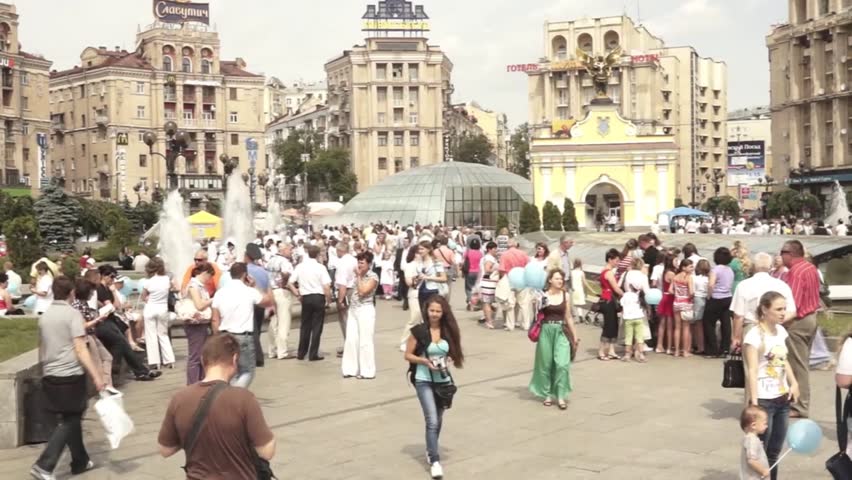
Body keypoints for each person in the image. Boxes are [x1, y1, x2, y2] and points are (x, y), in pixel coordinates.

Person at [157, 333, 276, 479]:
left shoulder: (179, 399)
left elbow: (165, 450)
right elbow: (267, 451)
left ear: (202, 360)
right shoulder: (244, 399)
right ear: (234, 359)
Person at [29, 276, 105, 480]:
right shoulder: (72, 315)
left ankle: (80, 460)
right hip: (70, 374)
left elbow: (41, 347)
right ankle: (44, 465)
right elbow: (80, 348)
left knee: (71, 417)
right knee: (71, 419)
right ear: (71, 292)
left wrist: (42, 370)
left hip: (51, 374)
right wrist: (97, 375)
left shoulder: (45, 316)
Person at [404, 295, 464, 480]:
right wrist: (424, 360)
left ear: (443, 312)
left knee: (438, 419)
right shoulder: (419, 331)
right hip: (423, 379)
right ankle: (435, 460)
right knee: (431, 420)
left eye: (438, 311)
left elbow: (454, 352)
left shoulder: (448, 330)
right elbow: (407, 355)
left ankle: (431, 449)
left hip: (443, 381)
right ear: (426, 311)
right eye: (432, 311)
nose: (435, 314)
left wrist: (451, 359)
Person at [744, 291, 799, 480]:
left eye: (784, 308)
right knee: (760, 451)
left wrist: (793, 382)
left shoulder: (781, 331)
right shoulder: (754, 335)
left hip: (782, 397)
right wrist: (755, 401)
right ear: (765, 310)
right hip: (765, 400)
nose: (783, 313)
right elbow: (751, 370)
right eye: (779, 309)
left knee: (775, 451)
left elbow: (784, 360)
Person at [212, 263, 273, 388]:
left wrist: (216, 336)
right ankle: (235, 394)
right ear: (245, 275)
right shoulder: (249, 291)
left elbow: (215, 319)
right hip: (243, 335)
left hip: (225, 334)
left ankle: (231, 392)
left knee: (231, 370)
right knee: (247, 371)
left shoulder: (220, 293)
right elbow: (268, 301)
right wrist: (255, 286)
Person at [94, 265, 159, 382]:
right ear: (103, 275)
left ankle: (138, 371)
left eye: (114, 277)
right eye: (111, 277)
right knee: (121, 342)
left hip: (111, 320)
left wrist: (113, 291)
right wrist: (113, 293)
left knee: (123, 343)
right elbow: (114, 306)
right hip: (104, 321)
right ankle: (128, 370)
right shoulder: (100, 289)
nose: (113, 280)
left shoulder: (107, 289)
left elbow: (116, 305)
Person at [780, 239, 820, 418]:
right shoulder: (810, 267)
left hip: (798, 321)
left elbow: (793, 304)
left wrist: (779, 321)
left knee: (798, 365)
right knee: (800, 363)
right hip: (811, 317)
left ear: (790, 253)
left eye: (782, 252)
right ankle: (796, 401)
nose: (780, 256)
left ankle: (800, 406)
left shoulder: (795, 272)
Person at [529, 269, 579, 408]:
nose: (560, 281)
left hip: (561, 331)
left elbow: (568, 317)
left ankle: (561, 395)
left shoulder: (565, 295)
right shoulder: (542, 296)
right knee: (545, 364)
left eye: (561, 279)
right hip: (546, 330)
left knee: (562, 364)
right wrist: (535, 303)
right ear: (550, 280)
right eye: (557, 278)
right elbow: (535, 316)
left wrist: (575, 336)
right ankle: (547, 394)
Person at [289, 245, 333, 362]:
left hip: (306, 297)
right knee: (317, 326)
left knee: (305, 325)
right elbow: (326, 286)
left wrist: (297, 294)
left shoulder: (300, 266)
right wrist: (329, 299)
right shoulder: (321, 267)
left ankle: (301, 352)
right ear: (318, 254)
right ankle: (313, 353)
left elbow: (290, 282)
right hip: (318, 297)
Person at [342, 252, 379, 379]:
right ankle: (350, 369)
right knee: (351, 339)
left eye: (362, 262)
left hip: (365, 309)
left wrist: (358, 277)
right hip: (353, 310)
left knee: (365, 341)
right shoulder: (357, 276)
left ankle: (367, 371)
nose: (359, 265)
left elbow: (363, 291)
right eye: (358, 262)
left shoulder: (373, 276)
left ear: (369, 264)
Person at [141, 257, 176, 370]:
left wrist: (148, 300)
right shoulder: (166, 279)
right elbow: (173, 288)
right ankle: (169, 360)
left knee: (151, 336)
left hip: (151, 308)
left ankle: (154, 362)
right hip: (162, 308)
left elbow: (143, 297)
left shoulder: (148, 282)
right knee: (163, 334)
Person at [183, 262, 215, 385]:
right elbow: (199, 305)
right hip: (195, 324)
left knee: (201, 354)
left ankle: (200, 381)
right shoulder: (193, 286)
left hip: (200, 323)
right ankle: (192, 384)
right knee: (195, 356)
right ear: (205, 273)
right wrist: (212, 299)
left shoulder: (199, 286)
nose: (210, 279)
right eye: (210, 276)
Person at [266, 242, 296, 360]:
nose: (291, 252)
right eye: (290, 250)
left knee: (273, 322)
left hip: (271, 291)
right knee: (284, 321)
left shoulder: (271, 260)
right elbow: (285, 273)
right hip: (282, 291)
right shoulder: (284, 262)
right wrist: (284, 282)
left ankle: (272, 350)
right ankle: (282, 351)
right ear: (284, 250)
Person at [704, 247, 735, 357]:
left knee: (709, 324)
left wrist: (708, 295)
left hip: (716, 297)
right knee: (726, 324)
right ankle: (725, 349)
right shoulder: (730, 270)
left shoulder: (715, 269)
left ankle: (712, 350)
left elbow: (711, 284)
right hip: (727, 297)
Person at [621, 258, 650, 362]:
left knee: (628, 336)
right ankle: (640, 354)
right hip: (639, 313)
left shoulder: (628, 274)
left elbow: (622, 300)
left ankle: (627, 354)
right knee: (640, 335)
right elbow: (647, 291)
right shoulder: (643, 276)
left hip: (628, 315)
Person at [598, 249, 623, 360]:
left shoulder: (604, 271)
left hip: (606, 299)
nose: (617, 263)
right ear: (610, 259)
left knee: (613, 325)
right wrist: (626, 295)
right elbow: (616, 288)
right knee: (609, 325)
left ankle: (611, 350)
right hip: (609, 300)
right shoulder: (608, 273)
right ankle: (602, 351)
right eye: (616, 260)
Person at [334, 241, 358, 358]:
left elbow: (342, 283)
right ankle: (353, 344)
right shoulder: (354, 260)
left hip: (347, 290)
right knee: (353, 319)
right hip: (355, 290)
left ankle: (349, 346)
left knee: (345, 320)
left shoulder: (342, 263)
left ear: (340, 250)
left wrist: (340, 300)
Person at [670, 259, 694, 358]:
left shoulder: (675, 277)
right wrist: (689, 297)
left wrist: (677, 294)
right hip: (686, 303)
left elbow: (670, 290)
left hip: (676, 302)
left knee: (677, 328)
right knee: (686, 328)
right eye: (690, 266)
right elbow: (691, 292)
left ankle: (676, 351)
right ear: (684, 267)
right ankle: (685, 351)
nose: (692, 268)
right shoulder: (689, 278)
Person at [739, 405, 770, 480]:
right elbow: (752, 460)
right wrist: (762, 470)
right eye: (764, 423)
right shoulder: (751, 440)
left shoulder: (751, 438)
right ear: (753, 425)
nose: (767, 426)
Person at [413, 241, 447, 308]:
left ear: (428, 250)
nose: (420, 251)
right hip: (421, 290)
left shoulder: (435, 262)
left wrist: (428, 277)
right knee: (423, 312)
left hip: (433, 290)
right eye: (419, 249)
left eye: (422, 249)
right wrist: (416, 279)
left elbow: (444, 278)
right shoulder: (418, 262)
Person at [655, 254, 676, 354]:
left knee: (662, 324)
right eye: (676, 261)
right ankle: (668, 346)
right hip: (670, 298)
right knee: (669, 324)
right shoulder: (671, 273)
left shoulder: (665, 272)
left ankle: (659, 345)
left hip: (664, 296)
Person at [478, 241, 499, 329]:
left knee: (487, 302)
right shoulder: (489, 258)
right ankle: (489, 321)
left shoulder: (486, 258)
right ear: (489, 249)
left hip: (486, 282)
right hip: (488, 281)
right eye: (494, 249)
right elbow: (487, 269)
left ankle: (488, 317)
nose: (496, 251)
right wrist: (498, 269)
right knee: (487, 302)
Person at [692, 259, 711, 355]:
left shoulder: (695, 278)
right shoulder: (709, 278)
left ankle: (700, 346)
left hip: (698, 298)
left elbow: (692, 291)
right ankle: (707, 344)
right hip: (708, 299)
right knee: (706, 323)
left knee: (698, 324)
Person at [462, 237, 483, 310]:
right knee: (476, 288)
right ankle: (476, 303)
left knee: (469, 288)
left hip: (469, 272)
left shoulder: (467, 252)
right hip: (478, 272)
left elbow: (463, 262)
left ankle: (470, 303)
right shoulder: (480, 253)